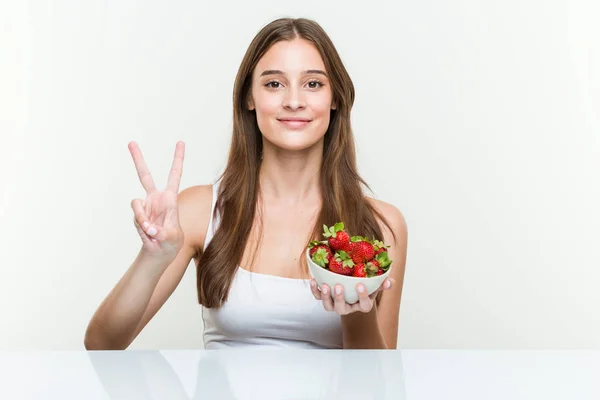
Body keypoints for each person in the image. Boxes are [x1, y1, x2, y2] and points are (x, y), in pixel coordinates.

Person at [84, 17, 408, 350]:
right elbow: (102, 344)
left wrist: (356, 313)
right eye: (273, 84)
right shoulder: (198, 211)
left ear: (335, 98)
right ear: (249, 98)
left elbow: (377, 385)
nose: (294, 101)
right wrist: (153, 257)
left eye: (313, 84)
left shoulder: (383, 226)